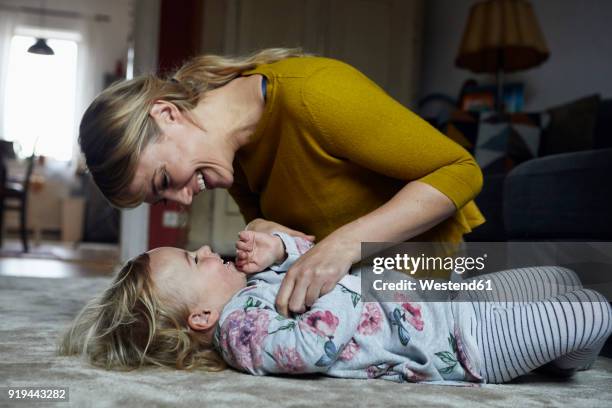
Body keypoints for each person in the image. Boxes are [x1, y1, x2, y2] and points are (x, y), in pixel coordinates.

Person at [78, 47, 487, 316]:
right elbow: (290, 236)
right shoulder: (228, 159)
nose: (183, 199)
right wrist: (264, 234)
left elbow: (461, 170)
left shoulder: (314, 95)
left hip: (428, 277)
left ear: (166, 114)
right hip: (350, 292)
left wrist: (343, 245)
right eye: (163, 197)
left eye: (165, 179)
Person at [59, 231, 612, 385]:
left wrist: (283, 249)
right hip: (459, 342)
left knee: (561, 277)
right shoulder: (240, 334)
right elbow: (311, 347)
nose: (207, 249)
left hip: (438, 294)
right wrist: (343, 285)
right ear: (201, 317)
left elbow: (318, 262)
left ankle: (556, 355)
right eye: (193, 259)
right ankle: (561, 359)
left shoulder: (250, 286)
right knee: (593, 311)